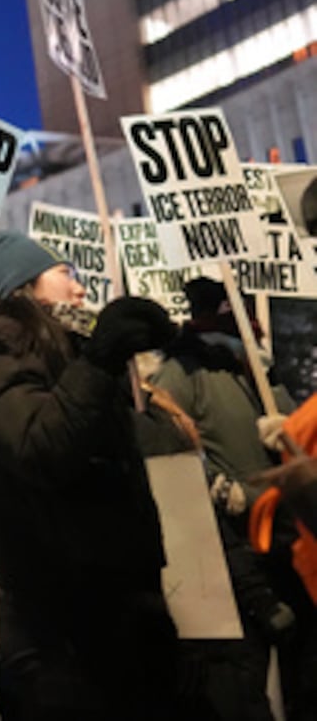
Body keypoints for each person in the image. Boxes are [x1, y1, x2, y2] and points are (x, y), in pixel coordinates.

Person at [0, 230, 180, 721]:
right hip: (61, 628)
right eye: (65, 274)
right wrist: (99, 360)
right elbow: (41, 447)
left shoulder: (63, 353)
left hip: (115, 604)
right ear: (25, 287)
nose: (80, 289)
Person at [153, 277, 316, 721]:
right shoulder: (181, 374)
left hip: (290, 534)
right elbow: (173, 447)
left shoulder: (256, 365)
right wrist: (225, 491)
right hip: (239, 552)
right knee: (247, 684)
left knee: (306, 674)